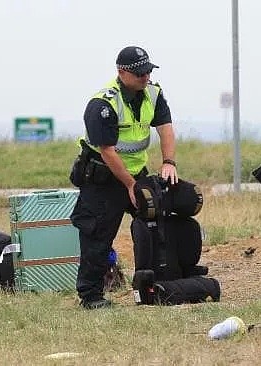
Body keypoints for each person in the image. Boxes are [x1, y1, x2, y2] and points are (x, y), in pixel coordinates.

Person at [70, 46, 178, 309]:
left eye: (148, 71)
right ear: (121, 72)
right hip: (103, 178)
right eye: (139, 73)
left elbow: (165, 128)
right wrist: (129, 185)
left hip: (136, 174)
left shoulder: (154, 93)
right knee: (97, 235)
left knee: (156, 222)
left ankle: (158, 283)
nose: (145, 77)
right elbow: (107, 151)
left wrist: (168, 163)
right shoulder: (103, 104)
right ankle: (91, 296)